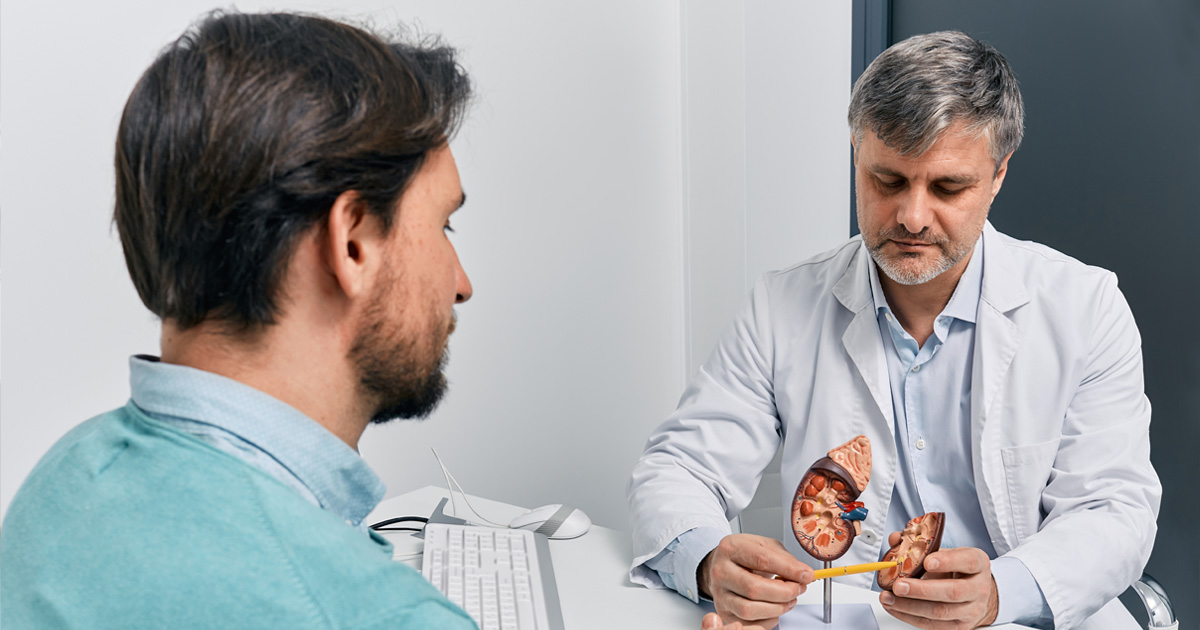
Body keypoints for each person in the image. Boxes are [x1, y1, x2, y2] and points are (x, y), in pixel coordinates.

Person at [628, 31, 1160, 630]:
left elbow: (1114, 510)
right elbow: (679, 468)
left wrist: (1000, 593)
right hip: (841, 616)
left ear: (999, 176)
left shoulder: (1085, 308)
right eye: (887, 181)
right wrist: (708, 561)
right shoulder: (782, 305)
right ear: (856, 153)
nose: (911, 216)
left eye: (948, 187)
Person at [1, 12, 476, 628]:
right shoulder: (376, 615)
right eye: (444, 225)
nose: (462, 285)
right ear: (354, 241)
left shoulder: (62, 479)